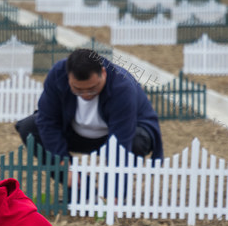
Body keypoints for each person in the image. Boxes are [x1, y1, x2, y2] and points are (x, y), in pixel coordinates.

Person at [15, 49, 164, 167]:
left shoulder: (122, 87)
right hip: (77, 133)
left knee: (136, 142)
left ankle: (110, 193)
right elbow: (48, 121)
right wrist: (63, 165)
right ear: (68, 77)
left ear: (103, 73)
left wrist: (112, 191)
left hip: (123, 133)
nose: (86, 94)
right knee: (29, 127)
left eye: (92, 89)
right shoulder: (57, 75)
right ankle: (78, 190)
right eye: (78, 90)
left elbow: (121, 144)